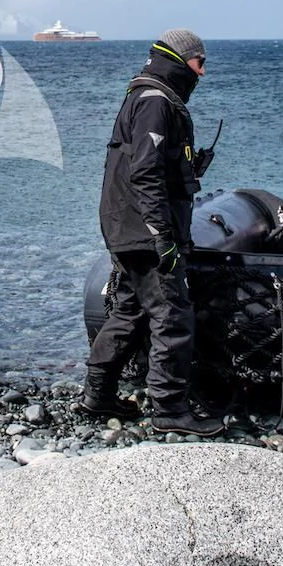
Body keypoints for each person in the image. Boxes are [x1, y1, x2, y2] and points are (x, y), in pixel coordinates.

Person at [81, 28, 225, 437]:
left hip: (127, 226)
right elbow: (144, 172)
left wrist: (189, 171)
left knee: (129, 310)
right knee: (172, 313)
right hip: (144, 231)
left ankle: (98, 394)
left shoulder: (146, 97)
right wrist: (162, 235)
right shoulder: (155, 102)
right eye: (200, 62)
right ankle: (169, 408)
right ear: (182, 61)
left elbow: (148, 166)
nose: (203, 72)